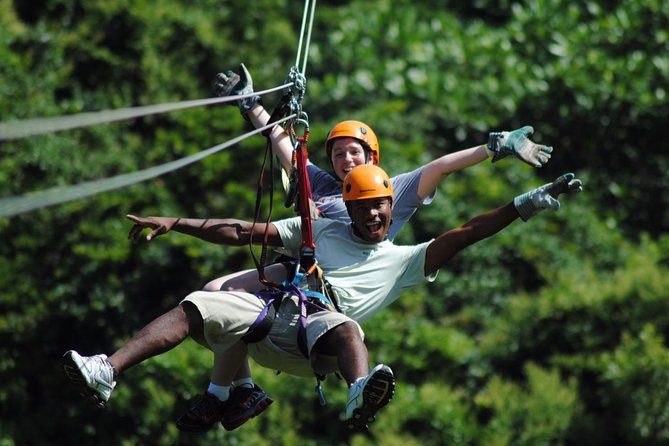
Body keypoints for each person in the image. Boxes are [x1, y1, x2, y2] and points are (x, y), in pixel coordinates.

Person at [154, 64, 556, 432]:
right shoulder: (327, 189)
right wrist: (251, 104)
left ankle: (223, 394)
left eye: (354, 152)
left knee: (229, 298)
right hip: (298, 269)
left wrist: (494, 147)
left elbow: (439, 168)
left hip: (329, 287)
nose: (346, 159)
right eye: (338, 153)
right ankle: (238, 388)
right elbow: (284, 145)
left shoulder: (389, 189)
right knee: (214, 291)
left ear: (372, 157)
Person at [62, 164, 582, 432]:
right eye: (366, 209)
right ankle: (108, 371)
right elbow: (244, 230)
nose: (376, 216)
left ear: (390, 208)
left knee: (345, 326)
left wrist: (528, 202)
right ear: (350, 209)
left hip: (317, 345)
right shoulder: (323, 231)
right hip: (273, 313)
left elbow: (468, 231)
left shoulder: (403, 261)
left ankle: (360, 390)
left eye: (382, 207)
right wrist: (176, 222)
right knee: (196, 303)